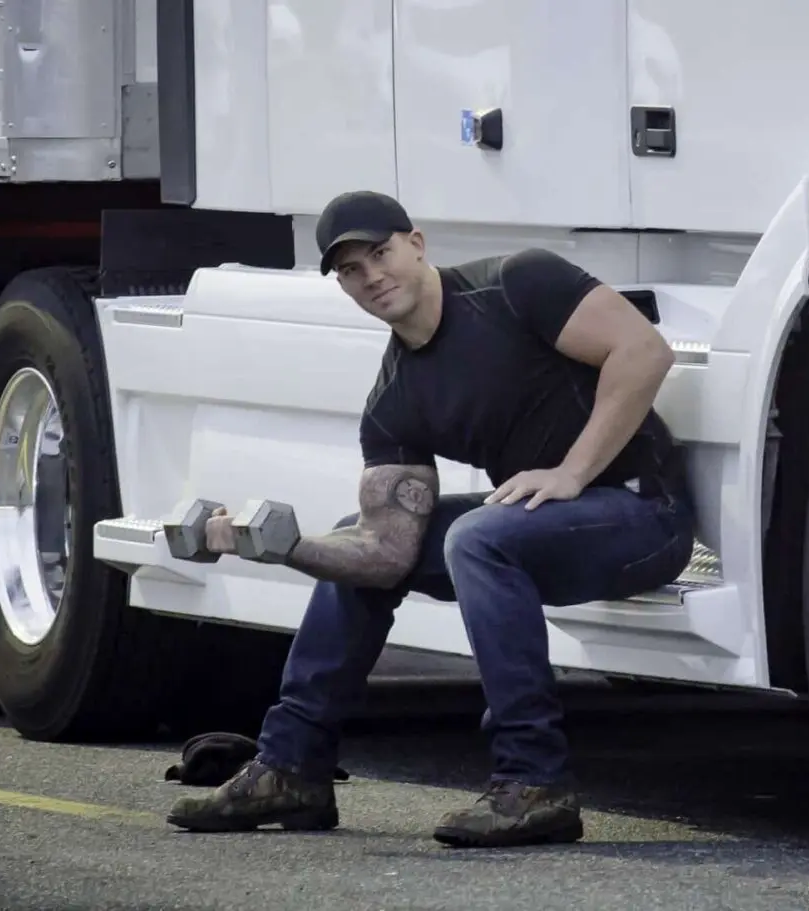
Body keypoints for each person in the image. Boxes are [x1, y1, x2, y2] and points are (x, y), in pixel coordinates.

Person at [165, 190, 696, 847]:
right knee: (357, 533)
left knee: (478, 538)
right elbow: (387, 554)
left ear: (417, 243)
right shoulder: (395, 400)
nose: (372, 277)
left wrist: (574, 471)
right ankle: (292, 763)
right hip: (545, 527)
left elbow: (644, 351)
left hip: (643, 510)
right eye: (352, 271)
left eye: (381, 253)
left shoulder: (515, 284)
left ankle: (534, 780)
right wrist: (285, 547)